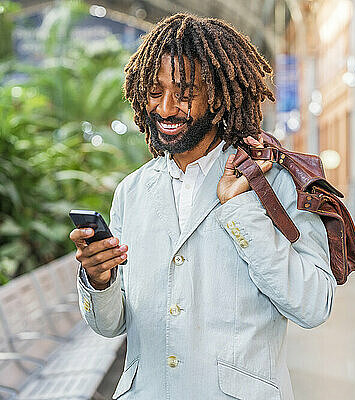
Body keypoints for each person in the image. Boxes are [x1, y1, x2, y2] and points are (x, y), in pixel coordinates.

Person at [69, 14, 335, 400]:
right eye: (155, 91)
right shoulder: (132, 191)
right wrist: (99, 281)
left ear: (217, 94)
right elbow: (113, 325)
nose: (166, 108)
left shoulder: (274, 180)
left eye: (185, 92)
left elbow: (313, 305)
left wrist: (241, 208)